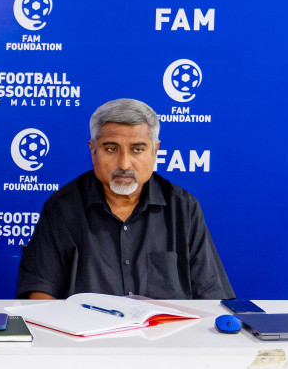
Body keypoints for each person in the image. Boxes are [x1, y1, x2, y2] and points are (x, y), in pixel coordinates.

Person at [17, 98, 233, 300]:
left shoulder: (183, 208)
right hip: (87, 338)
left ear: (155, 151)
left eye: (137, 149)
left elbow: (212, 295)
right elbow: (39, 293)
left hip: (166, 338)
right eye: (111, 149)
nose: (124, 164)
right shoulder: (62, 207)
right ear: (93, 151)